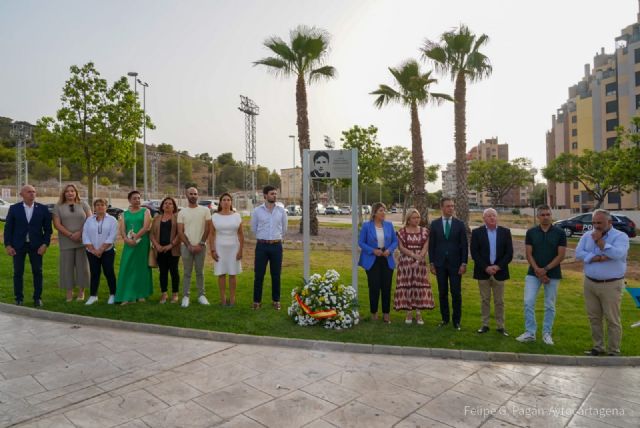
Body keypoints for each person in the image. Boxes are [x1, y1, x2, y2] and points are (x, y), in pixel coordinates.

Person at [576, 209, 629, 356]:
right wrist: (598, 257)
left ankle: (613, 350)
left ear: (609, 222)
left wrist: (600, 242)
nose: (596, 226)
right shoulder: (587, 236)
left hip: (611, 284)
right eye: (593, 222)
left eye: (599, 222)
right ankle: (598, 347)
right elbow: (578, 253)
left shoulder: (620, 237)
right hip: (590, 283)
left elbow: (617, 254)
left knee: (612, 319)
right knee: (594, 317)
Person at [516, 205, 566, 345]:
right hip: (533, 273)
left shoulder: (560, 233)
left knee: (550, 305)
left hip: (553, 274)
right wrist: (538, 270)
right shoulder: (531, 232)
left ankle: (546, 333)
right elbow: (528, 254)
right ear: (538, 217)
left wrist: (546, 269)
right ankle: (530, 332)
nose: (545, 217)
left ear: (551, 215)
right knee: (528, 302)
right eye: (542, 215)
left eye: (547, 214)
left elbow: (561, 255)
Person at [3, 185, 52, 307]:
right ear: (22, 194)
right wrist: (8, 245)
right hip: (18, 245)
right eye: (29, 192)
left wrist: (45, 245)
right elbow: (8, 228)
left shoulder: (42, 209)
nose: (32, 194)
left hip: (36, 246)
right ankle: (19, 298)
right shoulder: (14, 208)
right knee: (18, 272)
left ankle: (37, 298)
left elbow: (48, 230)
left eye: (34, 192)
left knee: (37, 271)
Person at [470, 208, 513, 336]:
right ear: (484, 219)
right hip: (483, 272)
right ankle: (485, 325)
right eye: (488, 216)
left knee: (499, 301)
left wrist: (497, 267)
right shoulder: (477, 232)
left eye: (494, 215)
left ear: (497, 217)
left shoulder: (505, 232)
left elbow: (509, 253)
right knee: (485, 300)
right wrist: (486, 267)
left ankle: (500, 326)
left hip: (499, 272)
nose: (492, 218)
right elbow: (474, 253)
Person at [428, 198, 468, 330]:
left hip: (456, 264)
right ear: (442, 208)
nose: (451, 208)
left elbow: (464, 245)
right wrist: (432, 263)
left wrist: (464, 263)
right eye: (448, 206)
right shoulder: (434, 224)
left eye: (452, 206)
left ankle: (456, 321)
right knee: (442, 292)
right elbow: (431, 245)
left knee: (456, 293)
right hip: (440, 264)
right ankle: (445, 319)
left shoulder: (460, 224)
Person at [358, 202, 398, 323]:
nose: (383, 213)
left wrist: (389, 250)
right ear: (374, 212)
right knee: (374, 287)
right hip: (372, 259)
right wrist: (373, 250)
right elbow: (361, 242)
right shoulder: (366, 226)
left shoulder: (389, 225)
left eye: (384, 210)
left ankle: (386, 314)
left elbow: (395, 242)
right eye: (381, 210)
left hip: (386, 259)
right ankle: (374, 313)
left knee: (386, 287)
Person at [394, 208, 434, 325]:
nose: (417, 220)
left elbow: (426, 247)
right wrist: (413, 255)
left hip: (420, 264)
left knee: (418, 288)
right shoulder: (402, 232)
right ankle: (409, 312)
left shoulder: (425, 231)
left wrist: (418, 258)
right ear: (408, 219)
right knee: (408, 287)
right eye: (414, 218)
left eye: (418, 218)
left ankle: (418, 313)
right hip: (405, 263)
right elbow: (401, 247)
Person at [53, 184, 91, 302]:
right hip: (66, 241)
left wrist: (80, 233)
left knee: (82, 267)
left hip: (82, 240)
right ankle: (69, 293)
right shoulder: (58, 206)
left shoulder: (83, 204)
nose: (70, 193)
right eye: (67, 191)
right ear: (64, 193)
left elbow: (89, 220)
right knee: (67, 268)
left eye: (72, 191)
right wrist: (70, 235)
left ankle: (81, 293)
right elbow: (57, 224)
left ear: (76, 193)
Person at [251, 185, 287, 310]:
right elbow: (253, 228)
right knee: (259, 275)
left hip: (277, 246)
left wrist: (275, 238)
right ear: (265, 195)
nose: (274, 196)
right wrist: (264, 238)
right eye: (272, 193)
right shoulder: (257, 211)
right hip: (261, 246)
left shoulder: (281, 211)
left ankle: (276, 301)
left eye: (275, 193)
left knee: (276, 275)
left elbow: (284, 228)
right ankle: (256, 301)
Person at [115, 190, 153, 304]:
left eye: (138, 198)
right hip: (129, 244)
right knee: (127, 268)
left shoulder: (146, 211)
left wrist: (136, 237)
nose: (137, 200)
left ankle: (141, 294)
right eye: (134, 198)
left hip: (142, 243)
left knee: (141, 268)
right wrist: (127, 240)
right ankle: (126, 295)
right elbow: (122, 229)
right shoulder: (123, 214)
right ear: (129, 200)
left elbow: (146, 227)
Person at [177, 187, 212, 307]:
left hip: (201, 247)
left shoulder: (205, 211)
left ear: (198, 195)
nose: (193, 195)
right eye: (191, 194)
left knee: (200, 272)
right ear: (186, 195)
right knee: (187, 272)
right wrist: (189, 246)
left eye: (195, 194)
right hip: (186, 247)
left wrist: (201, 243)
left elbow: (208, 228)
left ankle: (201, 295)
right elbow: (180, 231)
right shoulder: (182, 212)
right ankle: (185, 296)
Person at [210, 193, 244, 306]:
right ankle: (223, 299)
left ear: (231, 202)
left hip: (234, 247)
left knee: (233, 273)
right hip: (219, 247)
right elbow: (211, 235)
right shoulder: (214, 216)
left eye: (228, 200)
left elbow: (241, 234)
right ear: (220, 202)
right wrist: (212, 250)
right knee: (221, 273)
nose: (226, 202)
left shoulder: (237, 216)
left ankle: (232, 298)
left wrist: (241, 250)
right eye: (223, 200)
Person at [82, 198, 118, 305]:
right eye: (97, 205)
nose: (100, 207)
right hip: (91, 252)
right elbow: (85, 235)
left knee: (109, 272)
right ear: (94, 207)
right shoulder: (89, 220)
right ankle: (93, 296)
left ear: (106, 207)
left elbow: (112, 237)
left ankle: (113, 294)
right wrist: (93, 249)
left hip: (107, 251)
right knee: (94, 273)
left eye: (102, 205)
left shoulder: (112, 220)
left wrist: (101, 249)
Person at [150, 197, 181, 304]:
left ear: (174, 207)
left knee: (174, 272)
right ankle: (164, 294)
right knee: (163, 272)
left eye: (170, 203)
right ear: (162, 206)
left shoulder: (177, 218)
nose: (167, 205)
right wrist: (157, 245)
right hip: (160, 250)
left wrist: (170, 245)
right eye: (165, 203)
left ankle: (175, 294)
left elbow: (179, 234)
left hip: (173, 249)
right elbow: (152, 234)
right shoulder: (157, 218)